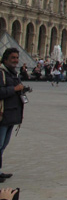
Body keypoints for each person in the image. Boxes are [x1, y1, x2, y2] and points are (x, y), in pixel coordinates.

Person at [0, 49, 25, 181]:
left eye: (17, 57)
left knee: (3, 145)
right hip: (2, 115)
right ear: (5, 59)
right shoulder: (1, 73)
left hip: (11, 114)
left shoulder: (13, 74)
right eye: (13, 58)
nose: (16, 60)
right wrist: (14, 89)